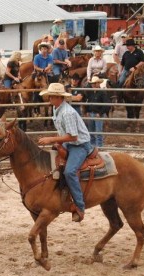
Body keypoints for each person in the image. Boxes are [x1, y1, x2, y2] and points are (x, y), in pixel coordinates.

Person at [37, 82, 93, 222]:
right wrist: (57, 142)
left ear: (58, 97)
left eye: (52, 96)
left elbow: (73, 136)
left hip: (79, 146)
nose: (49, 98)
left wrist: (52, 139)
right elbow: (65, 133)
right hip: (69, 144)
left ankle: (79, 207)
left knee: (70, 171)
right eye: (49, 96)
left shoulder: (67, 113)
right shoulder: (58, 109)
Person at [119, 38, 144, 103]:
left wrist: (135, 67)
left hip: (138, 71)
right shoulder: (126, 53)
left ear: (132, 45)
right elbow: (122, 64)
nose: (127, 47)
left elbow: (142, 61)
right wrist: (120, 71)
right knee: (120, 82)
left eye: (128, 45)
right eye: (126, 46)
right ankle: (120, 97)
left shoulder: (139, 52)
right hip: (126, 70)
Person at [86, 76, 110, 147]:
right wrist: (87, 111)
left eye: (95, 83)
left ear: (98, 84)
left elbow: (107, 104)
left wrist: (100, 113)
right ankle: (92, 146)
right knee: (91, 132)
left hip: (97, 114)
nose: (93, 85)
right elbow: (88, 102)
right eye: (92, 83)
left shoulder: (102, 93)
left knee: (98, 132)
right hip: (91, 113)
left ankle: (99, 146)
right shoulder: (91, 93)